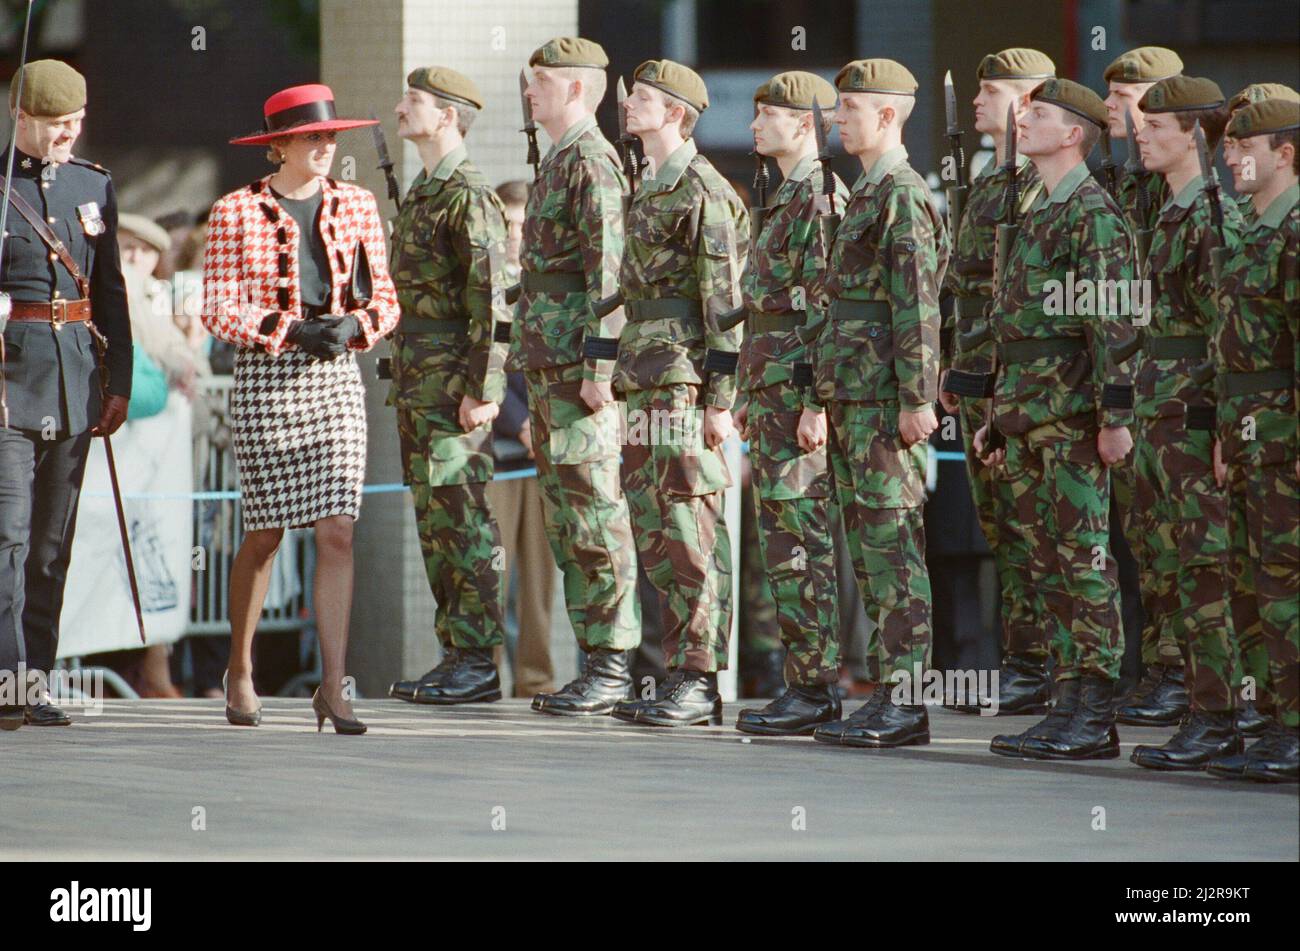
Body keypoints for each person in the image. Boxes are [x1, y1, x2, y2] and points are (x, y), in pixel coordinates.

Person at [202, 84, 399, 734]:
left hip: (336, 376)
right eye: (312, 137)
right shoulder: (235, 211)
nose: (325, 147)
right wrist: (287, 330)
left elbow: (387, 299)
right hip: (268, 375)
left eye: (330, 137)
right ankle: (240, 668)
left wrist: (357, 327)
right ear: (279, 145)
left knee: (339, 526)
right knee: (264, 534)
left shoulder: (359, 204)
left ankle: (334, 687)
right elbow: (217, 309)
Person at [975, 78, 1137, 760]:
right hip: (1027, 411)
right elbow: (1011, 324)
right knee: (1044, 563)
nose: (1023, 120)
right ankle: (1066, 699)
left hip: (1071, 414)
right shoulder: (1034, 204)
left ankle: (1094, 706)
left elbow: (1113, 319)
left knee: (1084, 559)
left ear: (1073, 133)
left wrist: (1115, 414)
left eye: (1037, 114)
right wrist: (995, 411)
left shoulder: (1091, 212)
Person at [801, 58, 946, 749]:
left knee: (894, 551)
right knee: (869, 550)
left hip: (886, 403)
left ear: (887, 115)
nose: (837, 119)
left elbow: (917, 306)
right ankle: (889, 689)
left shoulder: (901, 194)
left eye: (850, 109)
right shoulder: (865, 193)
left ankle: (908, 699)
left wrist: (917, 396)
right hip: (854, 398)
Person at [610, 59, 747, 727]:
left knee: (691, 531)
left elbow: (723, 305)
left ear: (675, 113)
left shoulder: (702, 188)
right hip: (642, 379)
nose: (629, 105)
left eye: (643, 98)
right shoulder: (650, 184)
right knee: (655, 530)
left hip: (684, 384)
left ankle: (699, 677)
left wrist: (720, 399)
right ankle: (675, 672)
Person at [0, 60, 131, 731]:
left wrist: (120, 384)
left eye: (76, 123)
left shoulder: (94, 184)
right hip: (8, 386)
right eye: (55, 124)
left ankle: (34, 679)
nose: (68, 136)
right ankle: (7, 681)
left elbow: (110, 293)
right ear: (20, 117)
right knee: (8, 538)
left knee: (51, 545)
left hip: (76, 379)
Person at [515, 38, 643, 717]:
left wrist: (601, 365)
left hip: (577, 371)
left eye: (542, 82)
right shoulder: (560, 160)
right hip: (550, 366)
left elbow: (611, 273)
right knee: (570, 519)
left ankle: (614, 662)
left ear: (576, 90)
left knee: (594, 512)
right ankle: (596, 658)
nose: (530, 92)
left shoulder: (592, 162)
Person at [383, 67, 513, 706]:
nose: (402, 110)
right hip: (419, 382)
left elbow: (491, 302)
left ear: (451, 116)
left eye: (415, 102)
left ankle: (478, 658)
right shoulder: (425, 190)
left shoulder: (468, 194)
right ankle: (457, 654)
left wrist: (482, 387)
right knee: (436, 522)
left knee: (465, 520)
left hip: (451, 385)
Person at [1125, 77, 1243, 770]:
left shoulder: (1209, 216)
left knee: (1207, 570)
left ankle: (1220, 712)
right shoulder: (1168, 212)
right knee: (1170, 569)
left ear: (1196, 134)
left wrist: (1219, 422)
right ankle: (1208, 707)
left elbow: (1226, 334)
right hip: (1160, 416)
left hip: (1192, 418)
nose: (1143, 133)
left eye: (1158, 126)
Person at [939, 48, 1054, 716]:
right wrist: (959, 363)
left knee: (1037, 530)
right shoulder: (989, 179)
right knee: (1002, 530)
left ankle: (1045, 666)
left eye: (992, 92)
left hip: (1021, 381)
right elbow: (965, 284)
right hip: (981, 376)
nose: (978, 102)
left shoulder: (1039, 181)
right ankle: (1023, 662)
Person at [732, 71, 846, 736]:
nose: (754, 126)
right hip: (771, 397)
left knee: (802, 542)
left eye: (767, 115)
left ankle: (816, 683)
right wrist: (750, 391)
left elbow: (824, 307)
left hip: (797, 401)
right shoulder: (783, 194)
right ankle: (802, 679)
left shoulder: (820, 197)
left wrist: (813, 401)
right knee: (782, 544)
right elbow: (767, 313)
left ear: (804, 122)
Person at [1207, 99, 1299, 783]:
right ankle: (1267, 719)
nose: (1234, 156)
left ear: (1286, 154)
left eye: (1248, 145)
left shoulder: (1294, 231)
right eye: (1231, 144)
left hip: (1283, 442)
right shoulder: (1250, 229)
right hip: (1246, 436)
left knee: (1285, 587)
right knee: (1250, 585)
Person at [1101, 45, 1191, 727]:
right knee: (1143, 536)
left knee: (1181, 538)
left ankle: (1183, 671)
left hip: (1180, 389)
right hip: (1137, 383)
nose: (1118, 115)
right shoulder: (1128, 188)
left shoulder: (1189, 192)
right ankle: (1159, 666)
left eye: (1127, 102)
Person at [486, 179, 557, 699]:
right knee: (492, 573)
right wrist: (520, 422)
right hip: (501, 450)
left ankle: (535, 681)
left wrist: (546, 423)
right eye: (506, 223)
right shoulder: (487, 285)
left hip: (546, 450)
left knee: (538, 583)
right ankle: (484, 674)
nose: (515, 234)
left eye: (523, 223)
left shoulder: (552, 284)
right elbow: (487, 362)